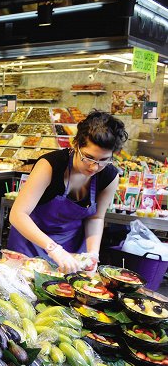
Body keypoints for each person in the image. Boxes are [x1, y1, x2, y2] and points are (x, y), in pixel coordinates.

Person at [8, 110, 126, 273]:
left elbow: (96, 217)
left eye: (103, 160)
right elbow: (17, 214)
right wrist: (54, 249)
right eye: (88, 157)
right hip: (30, 242)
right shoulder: (50, 165)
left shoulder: (109, 176)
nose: (94, 167)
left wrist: (92, 254)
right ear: (76, 145)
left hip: (70, 250)